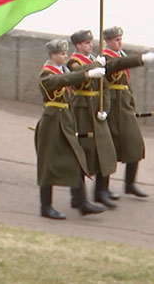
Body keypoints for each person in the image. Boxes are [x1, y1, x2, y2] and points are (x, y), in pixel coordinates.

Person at [36, 39, 107, 218]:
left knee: (76, 160)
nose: (65, 56)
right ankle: (45, 206)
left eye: (66, 53)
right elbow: (64, 80)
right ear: (52, 55)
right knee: (48, 165)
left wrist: (95, 66)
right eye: (61, 54)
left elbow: (71, 75)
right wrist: (88, 74)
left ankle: (81, 201)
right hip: (52, 123)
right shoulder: (46, 75)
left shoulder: (63, 69)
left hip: (66, 121)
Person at [101, 26, 154, 198]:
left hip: (124, 106)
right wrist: (140, 58)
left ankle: (129, 184)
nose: (119, 42)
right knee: (109, 150)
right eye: (116, 40)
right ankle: (102, 188)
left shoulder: (120, 55)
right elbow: (117, 65)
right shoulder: (105, 57)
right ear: (108, 41)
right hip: (112, 106)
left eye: (120, 39)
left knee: (135, 145)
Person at [66, 29, 118, 209]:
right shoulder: (74, 61)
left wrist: (105, 107)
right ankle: (78, 197)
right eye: (86, 43)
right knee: (83, 153)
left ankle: (101, 191)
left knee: (104, 150)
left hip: (96, 109)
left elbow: (104, 86)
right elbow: (77, 75)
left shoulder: (94, 59)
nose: (91, 45)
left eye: (91, 42)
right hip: (82, 111)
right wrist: (95, 65)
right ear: (78, 45)